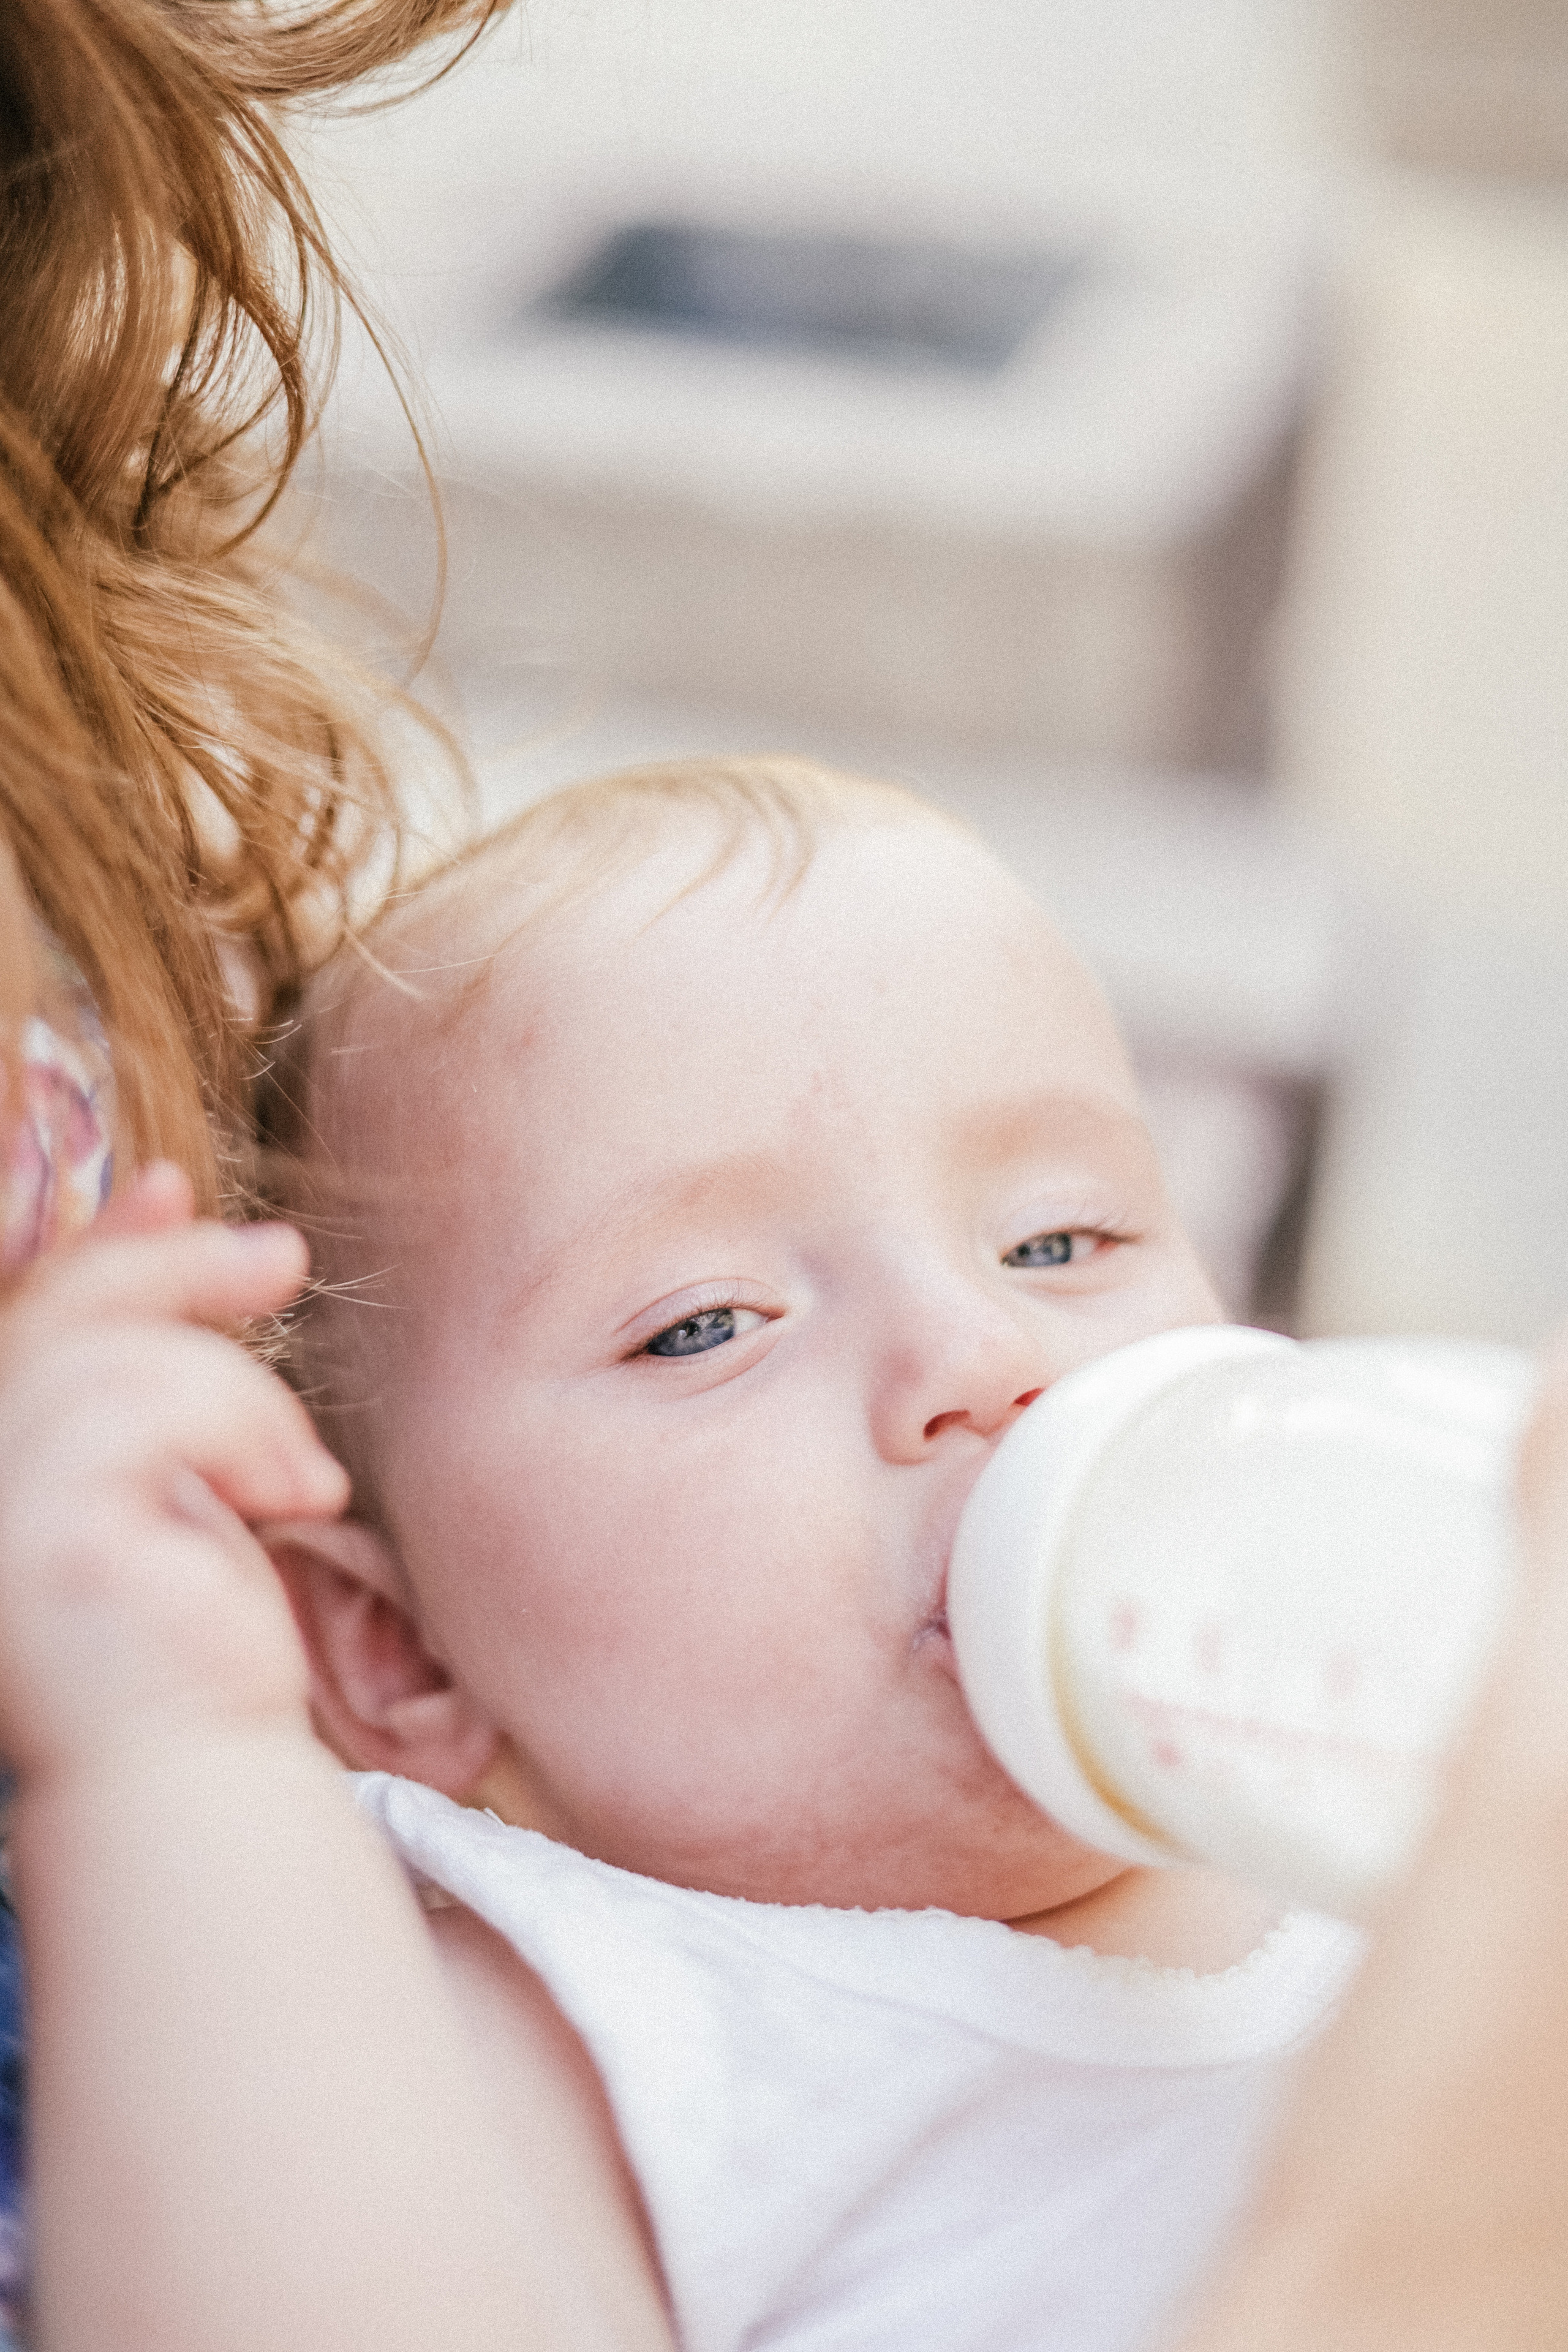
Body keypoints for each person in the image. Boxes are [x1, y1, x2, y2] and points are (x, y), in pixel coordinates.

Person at [10, 748, 1562, 2352]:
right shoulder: (598, 2023)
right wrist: (173, 1752)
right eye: (705, 1327)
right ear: (398, 1650)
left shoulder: (1406, 1767)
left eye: (1059, 1239)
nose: (978, 1353)